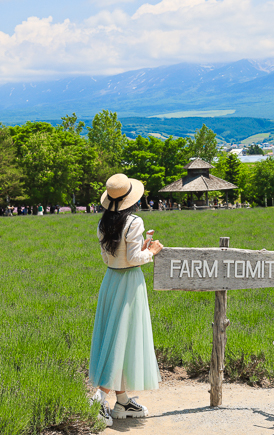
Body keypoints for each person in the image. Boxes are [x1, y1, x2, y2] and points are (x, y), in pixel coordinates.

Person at [89, 173, 164, 426]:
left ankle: (122, 401)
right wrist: (151, 252)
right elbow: (133, 260)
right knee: (122, 339)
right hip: (130, 282)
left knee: (115, 338)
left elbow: (113, 257)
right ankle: (98, 399)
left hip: (111, 281)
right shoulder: (134, 221)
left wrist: (139, 250)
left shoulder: (103, 223)